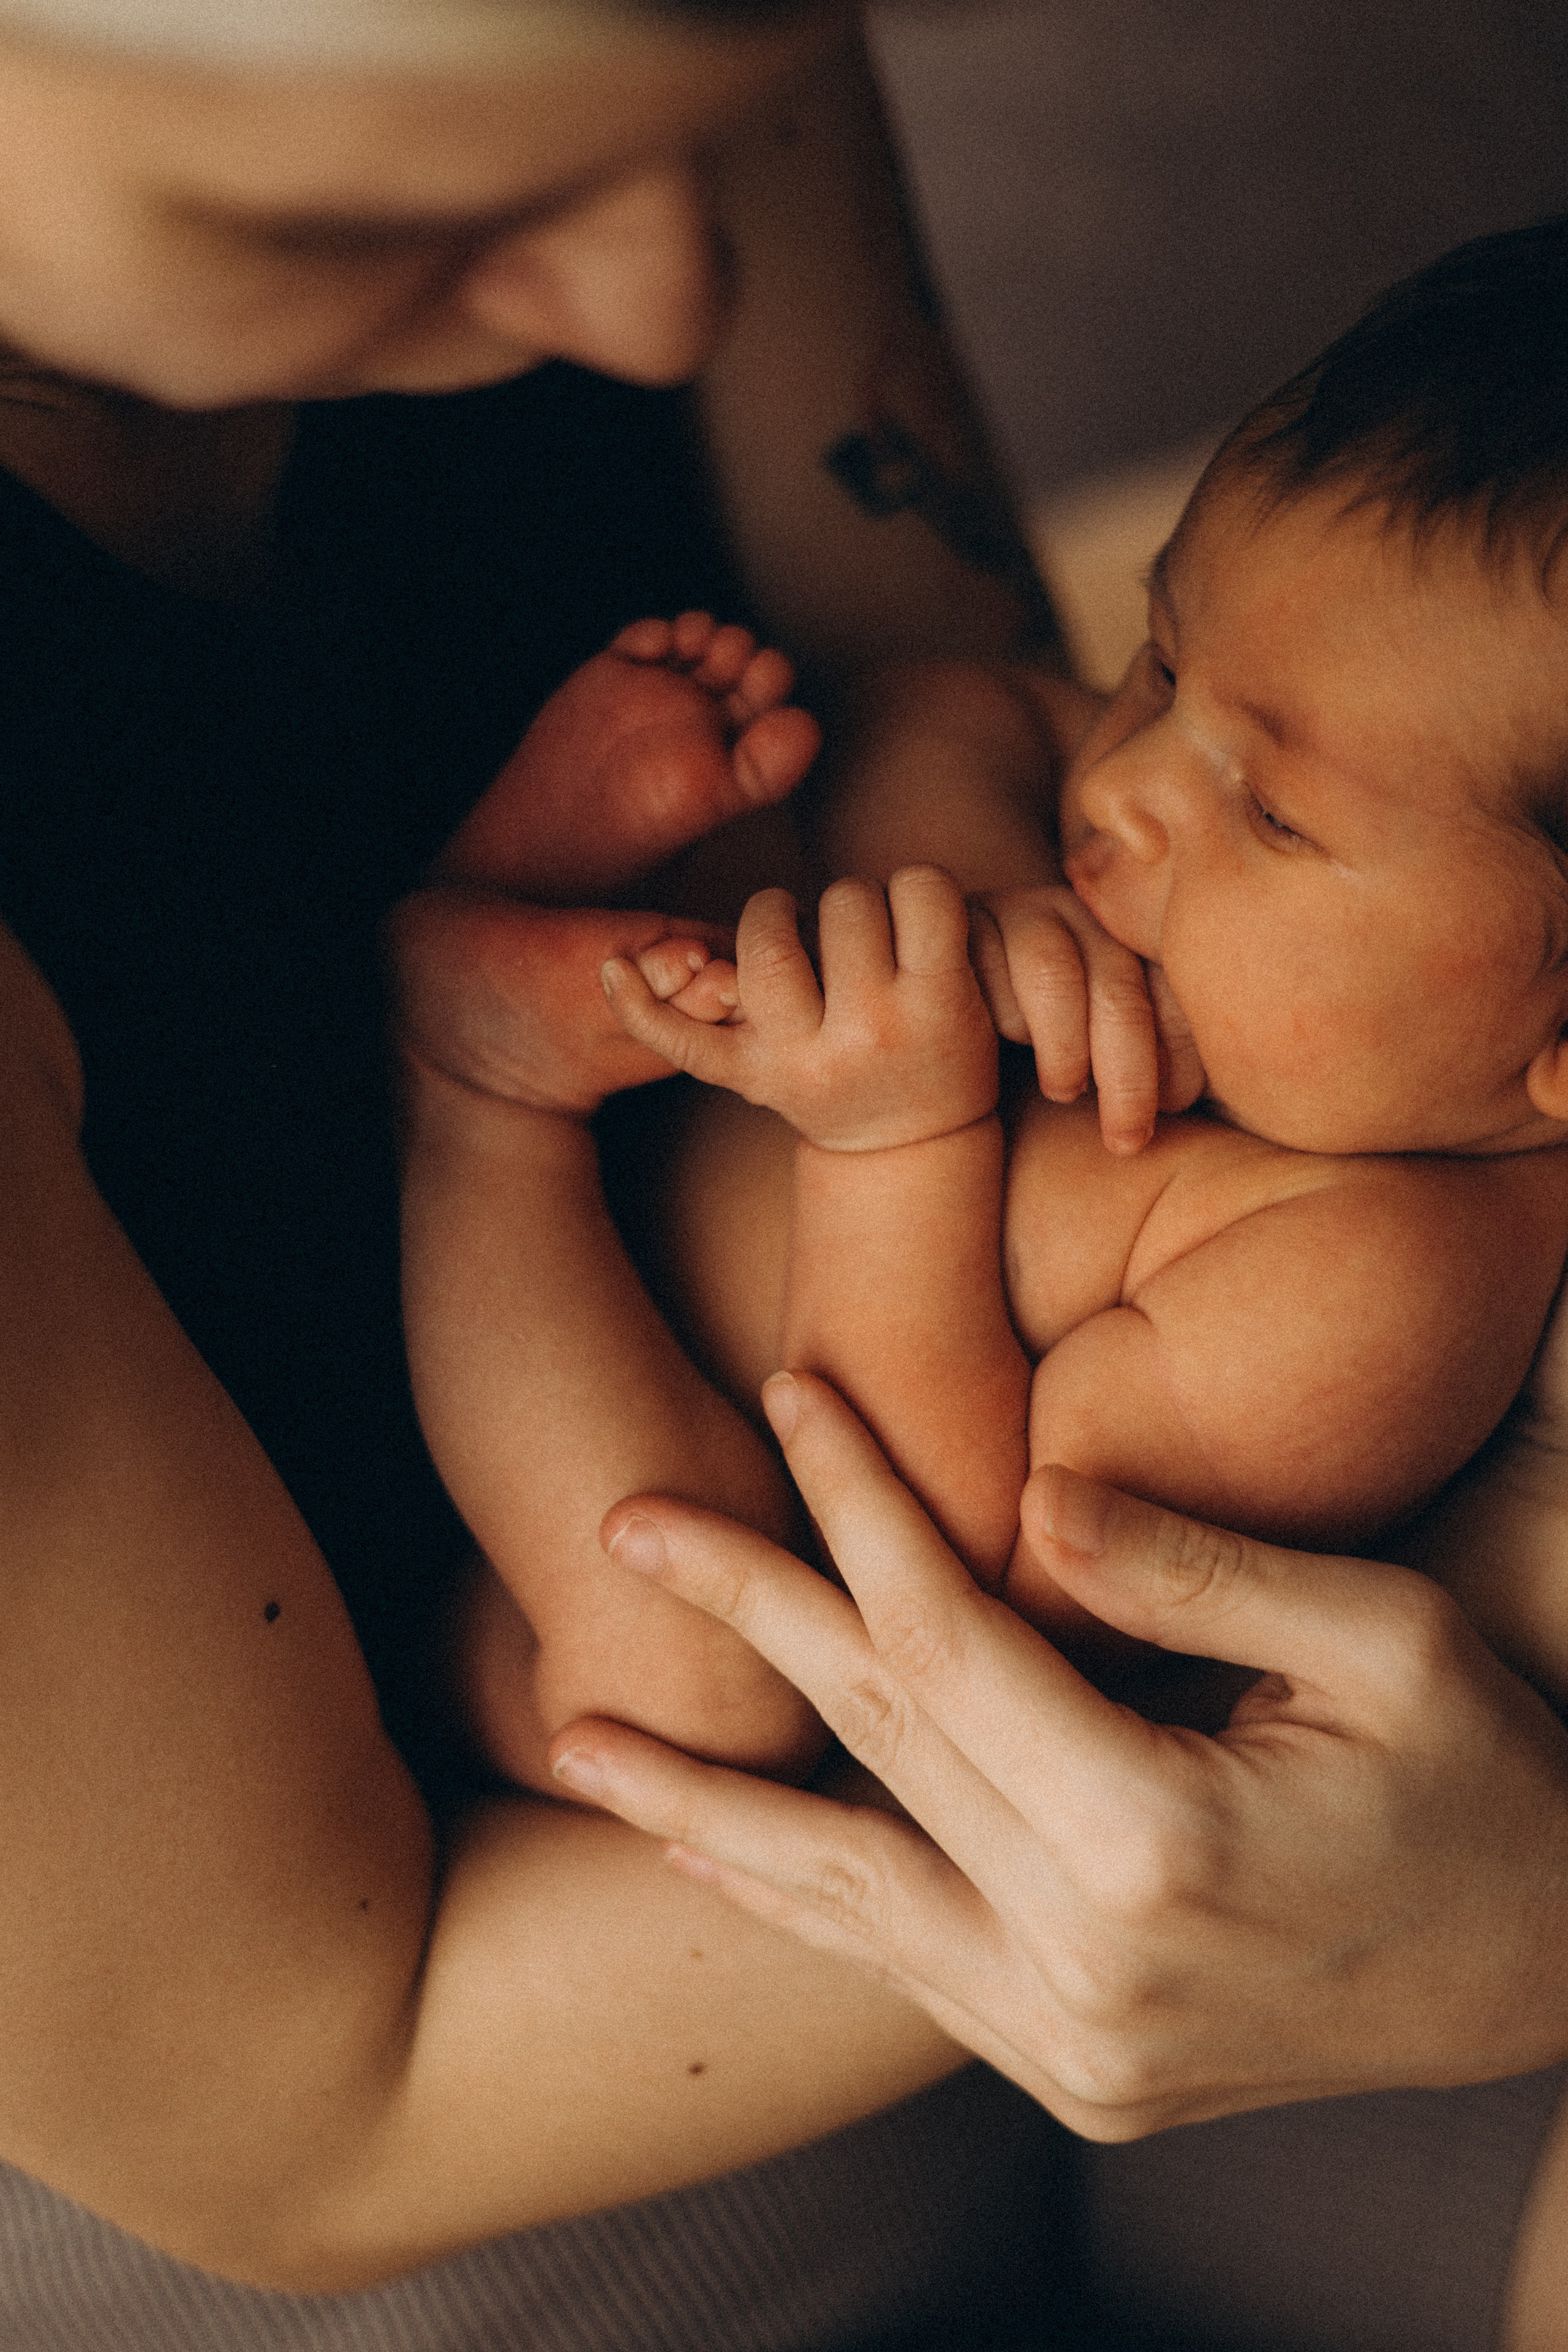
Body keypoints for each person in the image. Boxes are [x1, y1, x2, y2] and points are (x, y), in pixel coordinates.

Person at [0, 1, 1084, 2343]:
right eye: (368, 213)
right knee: (676, 1650)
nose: (666, 305)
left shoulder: (612, 51)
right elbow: (317, 2116)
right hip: (456, 2152)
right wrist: (1414, 1740)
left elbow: (975, 755)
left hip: (988, 1821)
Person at [401, 219, 1568, 1804]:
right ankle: (540, 897)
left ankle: (469, 1090)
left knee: (698, 1685)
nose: (1133, 782)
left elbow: (941, 1606)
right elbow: (961, 715)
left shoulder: (1384, 1282)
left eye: (1272, 815)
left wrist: (899, 1145)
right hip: (702, 1056)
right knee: (848, 773)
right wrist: (972, 896)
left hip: (629, 1366)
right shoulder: (1180, 848)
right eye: (1162, 664)